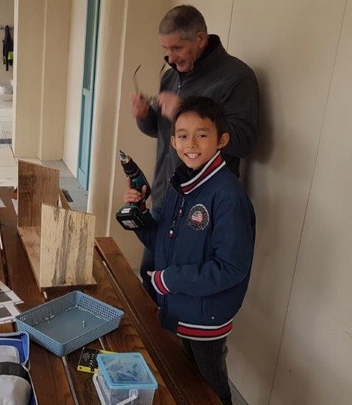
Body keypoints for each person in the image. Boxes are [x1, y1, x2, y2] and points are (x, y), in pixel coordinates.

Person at [124, 97, 255, 405]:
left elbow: (231, 267)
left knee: (210, 387)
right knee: (186, 377)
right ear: (172, 140)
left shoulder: (227, 197)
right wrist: (138, 215)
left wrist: (168, 281)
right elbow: (162, 239)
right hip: (181, 305)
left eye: (202, 134)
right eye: (182, 135)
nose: (191, 144)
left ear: (222, 140)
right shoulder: (182, 183)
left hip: (206, 315)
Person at [131, 5, 259, 298]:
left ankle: (192, 346)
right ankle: (156, 344)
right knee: (151, 280)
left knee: (183, 292)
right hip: (166, 195)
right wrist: (143, 116)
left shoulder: (236, 78)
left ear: (200, 39)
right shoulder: (171, 74)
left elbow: (245, 140)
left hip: (201, 209)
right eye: (166, 49)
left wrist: (182, 112)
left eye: (177, 47)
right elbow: (164, 133)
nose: (171, 57)